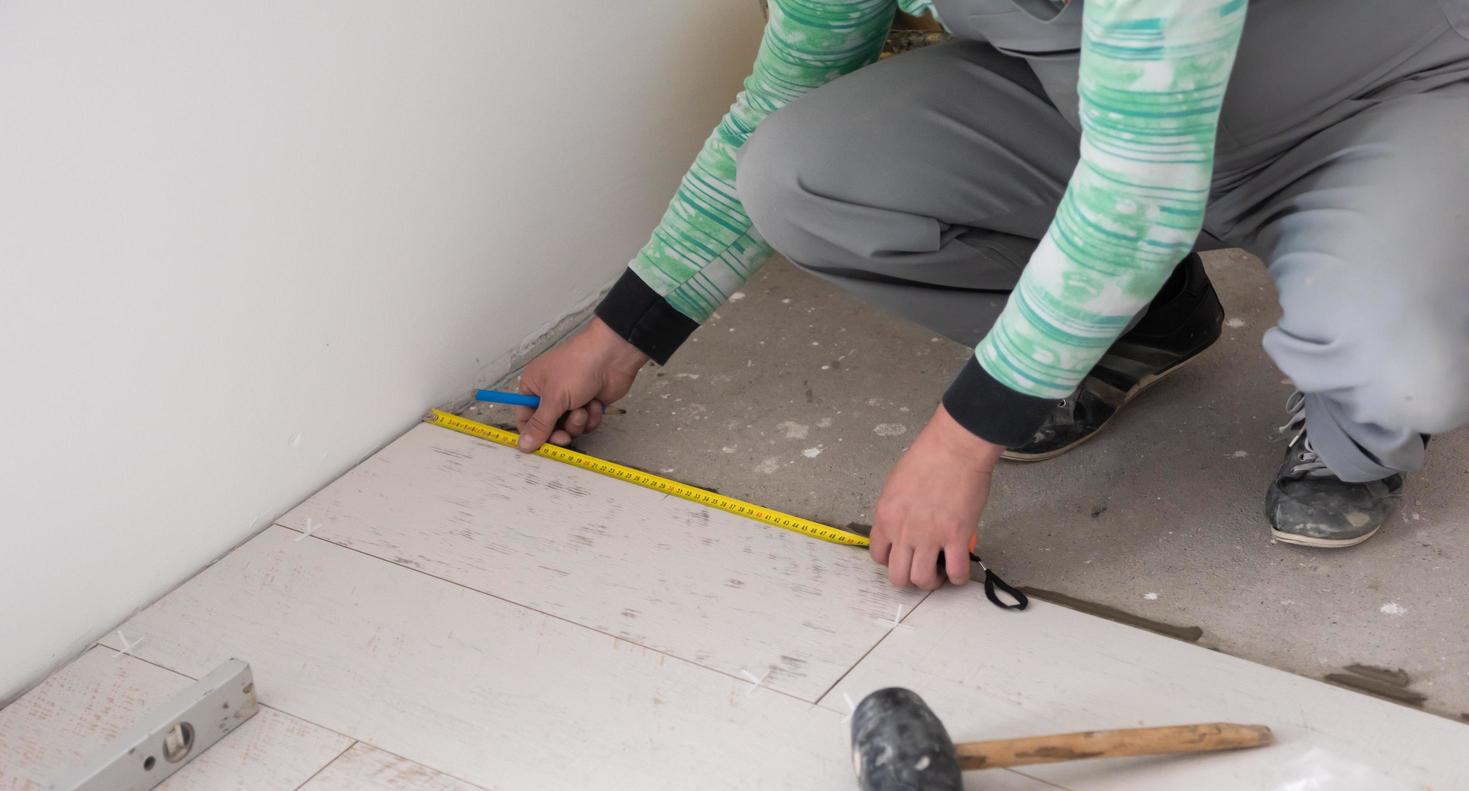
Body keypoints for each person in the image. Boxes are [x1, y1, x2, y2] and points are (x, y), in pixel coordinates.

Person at [513, 0, 1469, 589]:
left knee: (1398, 375)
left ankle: (1345, 391)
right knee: (802, 172)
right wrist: (621, 330)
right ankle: (1140, 324)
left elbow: (1141, 189)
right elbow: (784, 85)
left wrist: (960, 438)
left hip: (1372, 105)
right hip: (1095, 115)